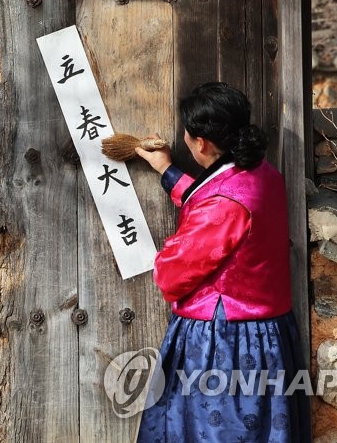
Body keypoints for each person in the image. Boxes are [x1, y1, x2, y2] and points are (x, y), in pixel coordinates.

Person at [127, 82, 310, 443]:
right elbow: (213, 199)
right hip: (267, 336)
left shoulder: (225, 205)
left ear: (202, 143)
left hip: (226, 343)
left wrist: (168, 248)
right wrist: (166, 168)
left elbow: (170, 275)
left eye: (187, 133)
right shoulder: (262, 174)